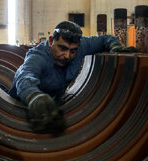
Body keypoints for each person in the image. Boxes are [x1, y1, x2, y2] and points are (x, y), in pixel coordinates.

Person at [9, 21, 138, 133]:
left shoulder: (81, 47)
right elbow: (25, 75)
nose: (67, 55)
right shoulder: (38, 56)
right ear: (50, 41)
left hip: (53, 104)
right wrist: (34, 96)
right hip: (23, 107)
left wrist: (116, 47)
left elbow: (105, 39)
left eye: (72, 51)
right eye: (62, 48)